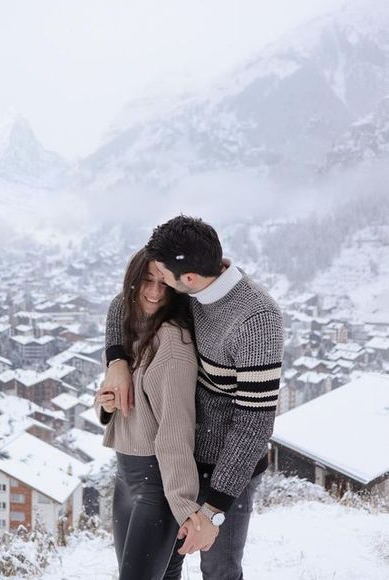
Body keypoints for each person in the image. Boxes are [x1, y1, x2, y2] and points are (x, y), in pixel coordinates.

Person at [101, 216, 284, 580]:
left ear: (186, 279)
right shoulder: (194, 291)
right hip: (179, 460)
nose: (158, 289)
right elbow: (124, 303)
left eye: (164, 278)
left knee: (218, 568)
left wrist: (214, 509)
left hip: (227, 469)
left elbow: (254, 424)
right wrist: (116, 360)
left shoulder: (256, 320)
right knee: (165, 565)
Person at [96, 248, 218, 580]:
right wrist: (108, 403)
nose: (153, 292)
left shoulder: (173, 342)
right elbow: (133, 406)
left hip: (156, 485)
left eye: (163, 283)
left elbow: (176, 430)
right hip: (125, 478)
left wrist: (183, 504)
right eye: (146, 280)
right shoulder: (132, 330)